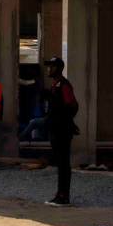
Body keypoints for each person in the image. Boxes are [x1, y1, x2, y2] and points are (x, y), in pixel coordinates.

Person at [43, 57, 78, 207]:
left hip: (62, 130)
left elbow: (72, 106)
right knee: (60, 162)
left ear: (58, 68)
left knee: (63, 163)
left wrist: (64, 121)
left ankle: (64, 196)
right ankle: (60, 194)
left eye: (51, 66)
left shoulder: (63, 85)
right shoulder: (55, 85)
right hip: (56, 128)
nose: (48, 69)